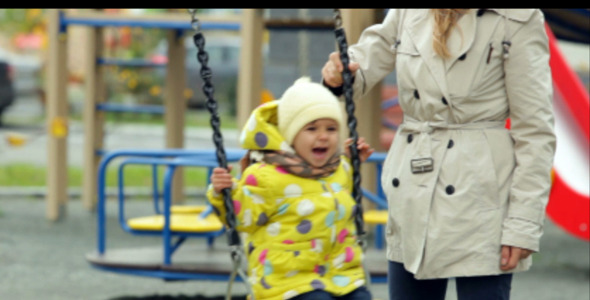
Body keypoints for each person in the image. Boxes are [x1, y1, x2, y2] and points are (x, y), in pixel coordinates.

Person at [322, 9, 556, 300]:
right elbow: (366, 59)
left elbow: (535, 132)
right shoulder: (408, 11)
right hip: (413, 189)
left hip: (482, 200)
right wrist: (340, 72)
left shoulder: (517, 17)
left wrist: (523, 225)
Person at [207, 77, 375, 300]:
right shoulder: (266, 175)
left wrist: (353, 162)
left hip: (341, 276)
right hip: (287, 284)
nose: (323, 136)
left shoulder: (338, 169)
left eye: (331, 128)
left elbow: (338, 195)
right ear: (290, 136)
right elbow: (241, 217)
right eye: (311, 128)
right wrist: (222, 192)